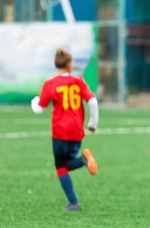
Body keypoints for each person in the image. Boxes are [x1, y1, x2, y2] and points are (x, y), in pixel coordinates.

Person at [31, 48, 99, 211]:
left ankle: (74, 203)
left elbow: (39, 109)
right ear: (69, 66)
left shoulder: (50, 84)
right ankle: (83, 160)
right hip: (77, 131)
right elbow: (93, 101)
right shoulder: (79, 82)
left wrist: (35, 101)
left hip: (60, 132)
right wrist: (92, 124)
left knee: (61, 167)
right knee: (66, 164)